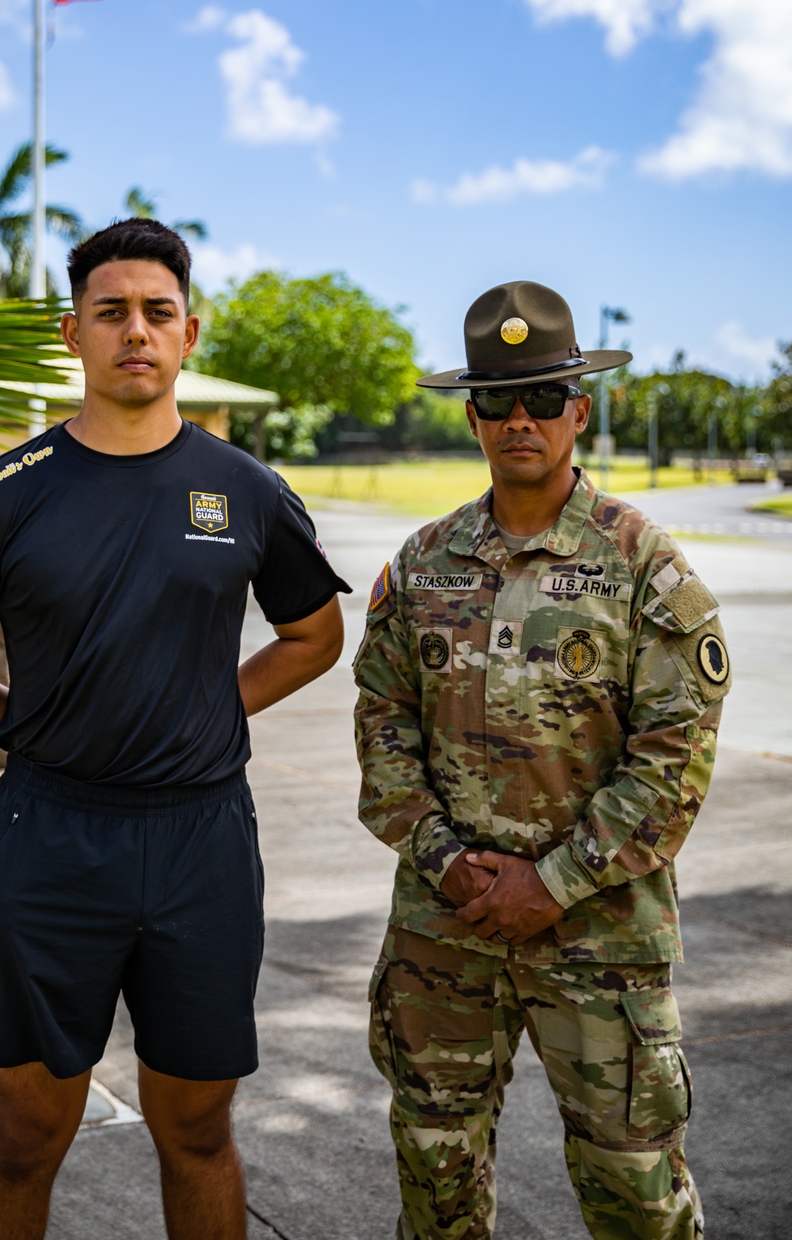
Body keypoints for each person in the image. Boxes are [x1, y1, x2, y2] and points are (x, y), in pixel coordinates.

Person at [0, 219, 350, 1240]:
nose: (135, 330)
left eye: (156, 312)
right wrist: (35, 723)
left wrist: (209, 707)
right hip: (55, 839)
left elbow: (314, 635)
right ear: (73, 332)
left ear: (191, 333)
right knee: (22, 1131)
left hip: (202, 844)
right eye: (111, 312)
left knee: (195, 1128)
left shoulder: (245, 490)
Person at [353, 280, 730, 1240]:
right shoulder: (426, 560)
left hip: (599, 940)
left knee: (635, 1192)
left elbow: (672, 762)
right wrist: (447, 861)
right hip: (446, 930)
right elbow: (382, 727)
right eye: (495, 400)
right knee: (435, 1179)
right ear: (472, 415)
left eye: (542, 397)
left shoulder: (643, 563)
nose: (519, 419)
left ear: (580, 409)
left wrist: (552, 883)